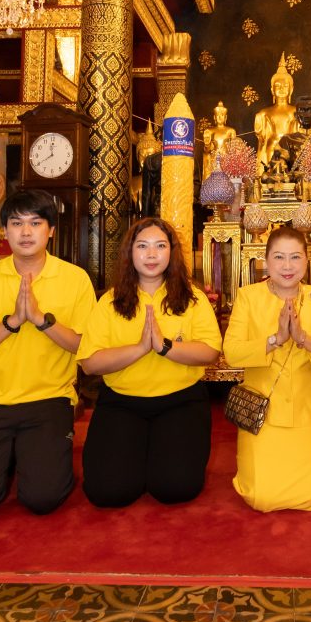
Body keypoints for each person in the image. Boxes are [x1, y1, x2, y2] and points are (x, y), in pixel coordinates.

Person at [0, 189, 96, 521]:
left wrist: (41, 321)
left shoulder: (75, 279)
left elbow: (87, 350)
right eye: (16, 223)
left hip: (49, 400)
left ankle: (27, 455)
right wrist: (11, 323)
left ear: (51, 230)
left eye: (35, 223)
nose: (26, 232)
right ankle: (9, 457)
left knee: (43, 498)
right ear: (5, 231)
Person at [77, 217, 221, 507]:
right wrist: (141, 348)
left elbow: (210, 352)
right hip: (121, 401)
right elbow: (90, 363)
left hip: (181, 400)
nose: (152, 254)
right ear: (130, 252)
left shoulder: (192, 298)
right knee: (108, 493)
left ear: (172, 252)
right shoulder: (110, 301)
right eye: (142, 246)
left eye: (160, 246)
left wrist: (165, 347)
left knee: (175, 489)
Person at [223, 226, 311, 511]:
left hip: (308, 409)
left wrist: (304, 339)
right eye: (279, 257)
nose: (288, 266)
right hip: (262, 412)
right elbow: (231, 352)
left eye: (295, 257)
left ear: (307, 259)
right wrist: (275, 340)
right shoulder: (248, 297)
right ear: (266, 260)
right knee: (262, 497)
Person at [254, 54, 300, 175]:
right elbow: (261, 142)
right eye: (277, 86)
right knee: (269, 174)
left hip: (290, 150)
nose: (281, 89)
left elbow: (300, 138)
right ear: (272, 90)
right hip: (271, 149)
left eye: (285, 86)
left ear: (291, 90)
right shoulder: (264, 113)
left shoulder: (296, 112)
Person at [202, 101, 237, 181]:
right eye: (218, 115)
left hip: (226, 161)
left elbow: (234, 149)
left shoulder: (231, 131)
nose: (220, 117)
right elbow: (207, 151)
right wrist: (207, 144)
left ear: (226, 117)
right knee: (213, 181)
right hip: (213, 161)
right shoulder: (209, 131)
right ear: (214, 117)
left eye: (222, 115)